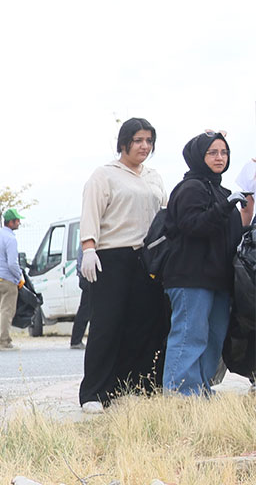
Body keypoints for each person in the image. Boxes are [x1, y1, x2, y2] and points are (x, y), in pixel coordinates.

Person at [77, 117, 167, 414]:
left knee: (141, 323)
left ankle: (129, 385)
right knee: (107, 324)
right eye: (138, 140)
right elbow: (91, 212)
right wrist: (89, 247)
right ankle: (93, 391)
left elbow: (164, 212)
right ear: (124, 142)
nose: (144, 146)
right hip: (112, 256)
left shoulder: (154, 177)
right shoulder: (105, 175)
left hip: (147, 257)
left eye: (149, 141)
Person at [161, 131, 252, 395]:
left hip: (218, 280)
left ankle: (201, 389)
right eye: (212, 152)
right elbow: (193, 226)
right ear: (199, 156)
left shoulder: (222, 191)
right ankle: (181, 394)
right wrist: (225, 206)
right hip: (191, 277)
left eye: (224, 152)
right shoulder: (190, 188)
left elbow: (231, 236)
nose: (219, 157)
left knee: (213, 338)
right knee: (190, 335)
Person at [0, 209, 24, 352]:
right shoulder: (11, 239)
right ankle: (5, 342)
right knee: (7, 311)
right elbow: (12, 263)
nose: (19, 223)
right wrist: (19, 276)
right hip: (7, 280)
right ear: (11, 222)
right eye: (17, 220)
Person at [69, 245, 92, 349]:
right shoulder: (87, 242)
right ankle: (76, 340)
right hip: (88, 278)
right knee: (85, 310)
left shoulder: (83, 242)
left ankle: (76, 340)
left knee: (86, 309)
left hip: (84, 277)